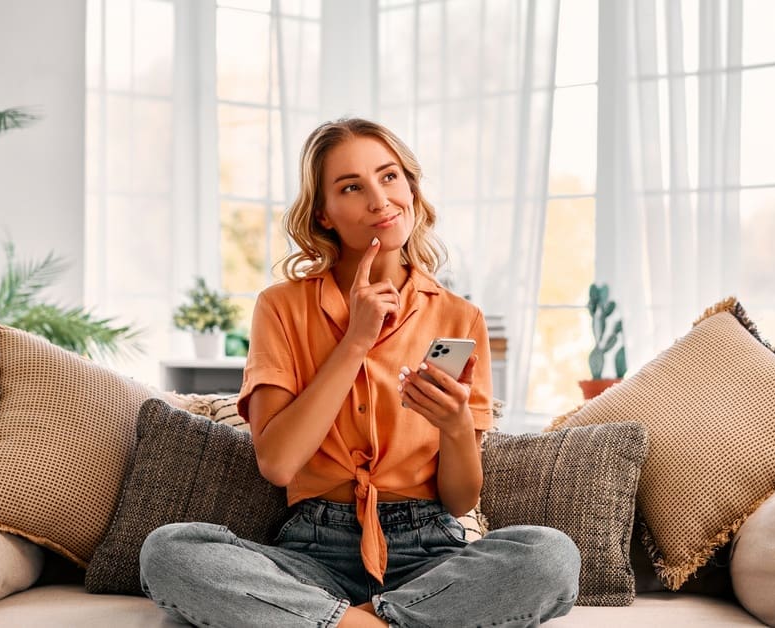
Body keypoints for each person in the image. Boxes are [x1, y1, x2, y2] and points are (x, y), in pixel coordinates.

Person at [139, 118, 580, 628]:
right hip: (312, 553)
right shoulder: (281, 307)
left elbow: (460, 500)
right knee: (170, 551)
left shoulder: (461, 317)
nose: (379, 200)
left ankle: (338, 622)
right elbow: (278, 463)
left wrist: (457, 426)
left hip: (429, 554)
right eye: (352, 187)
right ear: (323, 214)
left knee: (550, 555)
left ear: (411, 188)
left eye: (389, 177)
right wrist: (355, 342)